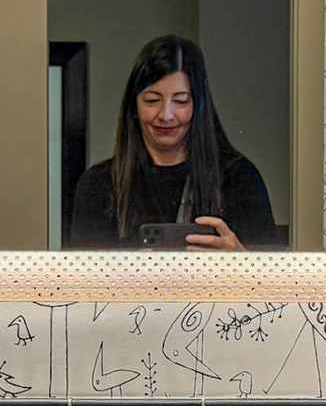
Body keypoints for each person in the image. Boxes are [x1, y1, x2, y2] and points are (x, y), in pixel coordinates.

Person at [67, 35, 279, 250]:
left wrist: (241, 261)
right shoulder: (99, 184)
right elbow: (81, 281)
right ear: (134, 106)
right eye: (152, 100)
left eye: (180, 101)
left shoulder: (238, 177)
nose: (166, 115)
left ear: (199, 105)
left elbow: (273, 280)